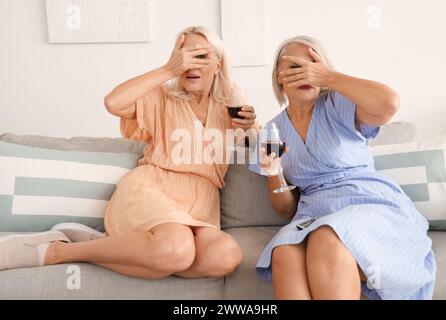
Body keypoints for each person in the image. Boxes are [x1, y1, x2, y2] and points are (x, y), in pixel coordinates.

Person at [0, 26, 257, 280]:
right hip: (155, 187)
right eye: (184, 55)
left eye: (200, 56)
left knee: (224, 257)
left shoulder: (232, 107)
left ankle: (120, 250)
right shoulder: (163, 98)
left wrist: (251, 128)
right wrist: (168, 69)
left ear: (218, 62)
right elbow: (114, 103)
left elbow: (267, 150)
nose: (190, 64)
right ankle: (60, 251)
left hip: (202, 202)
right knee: (176, 250)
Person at [249, 36, 435, 300]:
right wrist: (273, 171)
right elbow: (285, 209)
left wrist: (330, 77)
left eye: (312, 64)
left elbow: (389, 103)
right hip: (313, 211)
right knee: (284, 252)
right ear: (279, 76)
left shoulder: (338, 104)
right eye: (294, 67)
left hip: (367, 201)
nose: (305, 72)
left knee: (327, 237)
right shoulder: (272, 132)